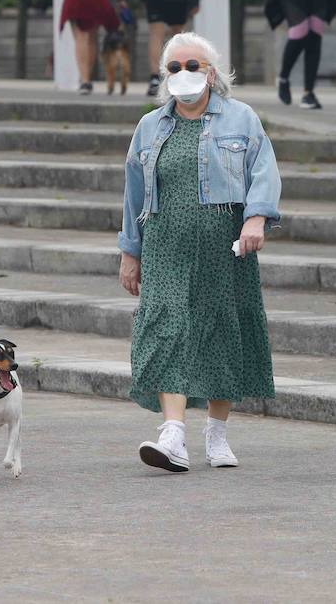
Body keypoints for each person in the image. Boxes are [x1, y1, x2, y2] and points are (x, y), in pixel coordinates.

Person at [117, 32, 281, 473]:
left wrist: (255, 218)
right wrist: (130, 251)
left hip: (221, 243)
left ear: (212, 73)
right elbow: (134, 195)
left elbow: (263, 171)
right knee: (167, 327)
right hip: (164, 241)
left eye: (194, 66)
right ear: (163, 76)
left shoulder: (242, 119)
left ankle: (217, 432)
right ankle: (172, 435)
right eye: (174, 67)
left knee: (220, 330)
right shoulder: (150, 126)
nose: (184, 74)